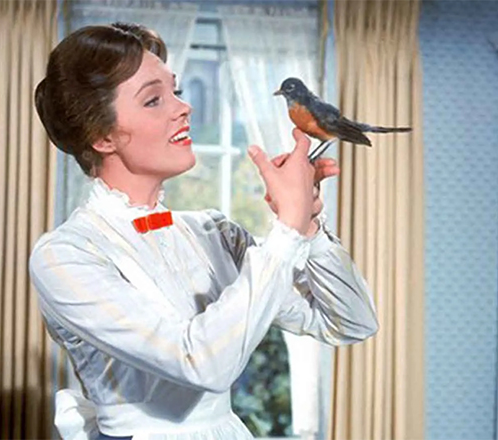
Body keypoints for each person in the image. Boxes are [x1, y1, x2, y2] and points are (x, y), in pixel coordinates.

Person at [30, 22, 378, 440]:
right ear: (102, 137)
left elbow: (351, 322)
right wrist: (287, 228)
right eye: (154, 99)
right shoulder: (64, 256)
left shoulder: (212, 232)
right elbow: (200, 363)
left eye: (175, 90)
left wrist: (308, 227)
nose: (184, 107)